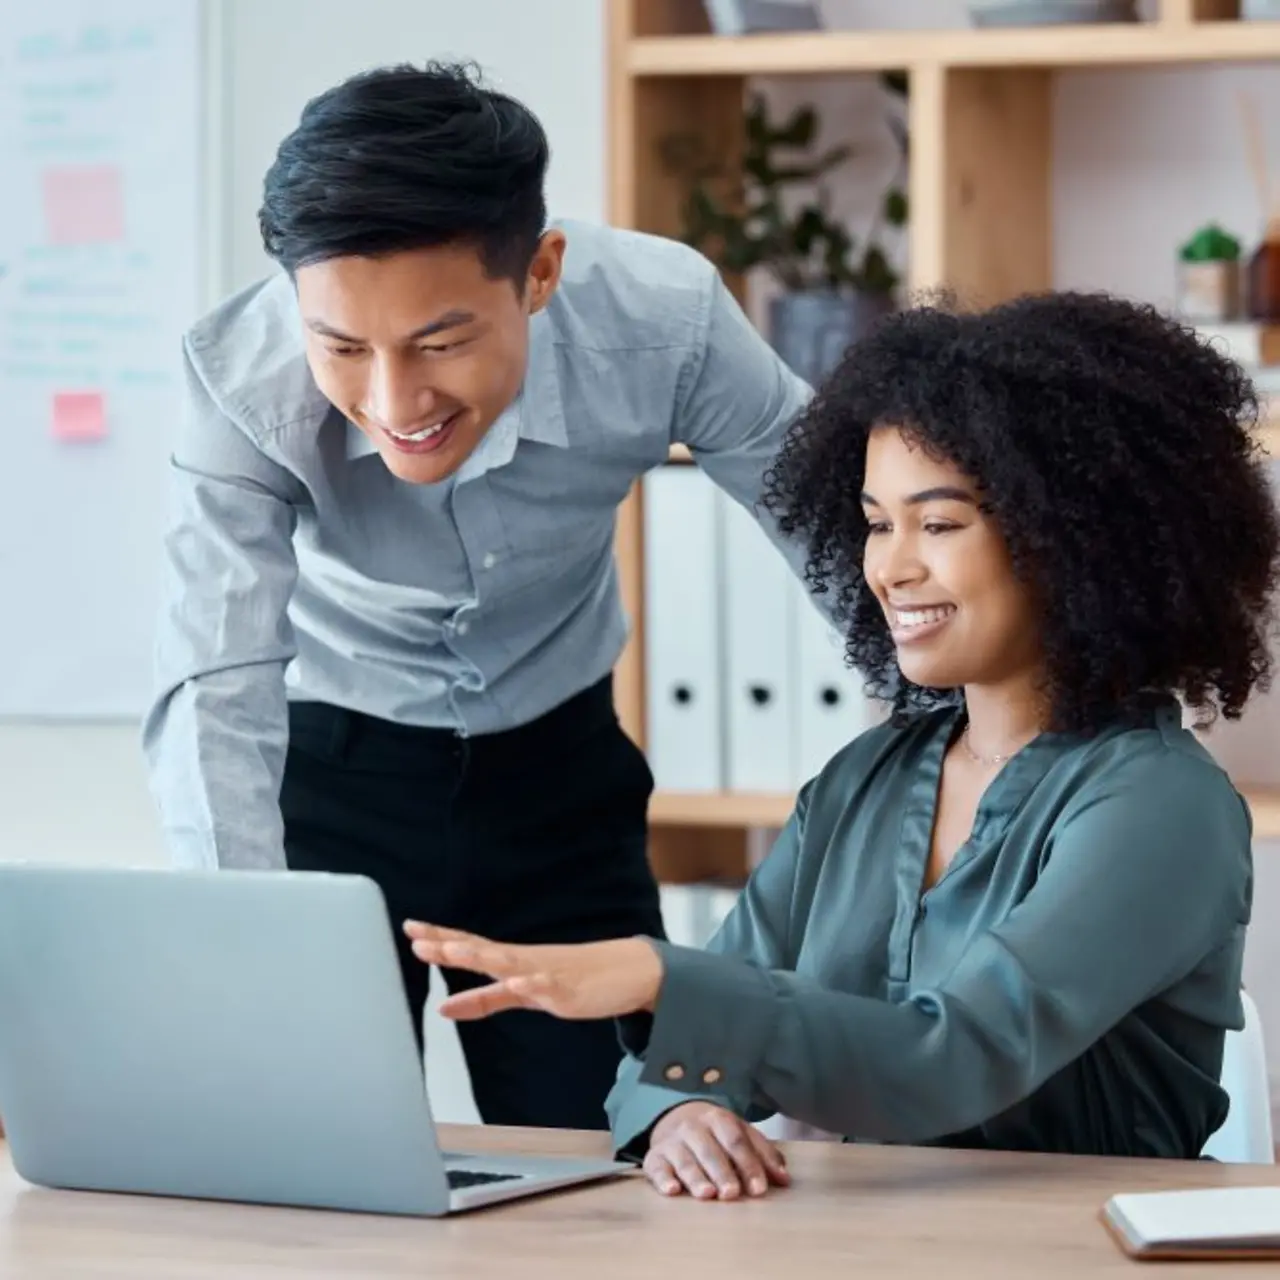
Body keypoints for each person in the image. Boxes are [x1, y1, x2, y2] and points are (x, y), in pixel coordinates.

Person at [404, 290, 1280, 1194]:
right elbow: (665, 1066)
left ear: (1079, 538)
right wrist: (683, 1114)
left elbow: (953, 1059)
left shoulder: (1163, 809)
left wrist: (662, 983)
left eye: (938, 525)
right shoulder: (867, 780)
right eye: (875, 522)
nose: (890, 569)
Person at [141, 61, 810, 1131]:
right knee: (315, 1154)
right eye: (342, 345)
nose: (391, 400)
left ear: (539, 272)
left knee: (611, 1152)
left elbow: (841, 531)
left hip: (557, 779)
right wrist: (241, 949)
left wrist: (958, 760)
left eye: (440, 342)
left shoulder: (664, 319)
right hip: (326, 783)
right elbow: (214, 678)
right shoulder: (238, 379)